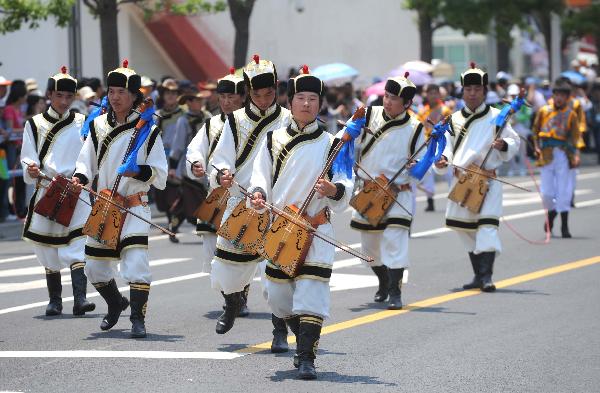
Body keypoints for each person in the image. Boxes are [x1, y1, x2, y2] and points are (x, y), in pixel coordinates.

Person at [249, 66, 354, 379]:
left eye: (312, 98)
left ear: (320, 104)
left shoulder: (334, 143)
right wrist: (256, 195)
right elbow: (260, 178)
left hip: (316, 228)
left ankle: (307, 356)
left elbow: (347, 181)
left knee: (312, 293)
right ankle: (301, 340)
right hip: (281, 228)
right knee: (277, 297)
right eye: (300, 98)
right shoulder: (271, 140)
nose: (306, 104)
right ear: (290, 102)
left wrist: (333, 189)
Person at [72, 60, 168, 338]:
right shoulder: (97, 126)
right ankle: (115, 303)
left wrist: (139, 170)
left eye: (122, 92)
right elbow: (85, 162)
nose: (115, 97)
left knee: (136, 263)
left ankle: (138, 319)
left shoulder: (148, 129)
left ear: (135, 96)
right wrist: (80, 178)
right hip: (104, 206)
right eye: (112, 91)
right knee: (94, 268)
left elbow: (160, 172)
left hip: (134, 205)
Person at [208, 55, 291, 339]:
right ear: (248, 93)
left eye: (269, 94)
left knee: (277, 274)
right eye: (257, 94)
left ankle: (279, 331)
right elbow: (220, 159)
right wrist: (222, 175)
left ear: (277, 89)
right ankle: (232, 302)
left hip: (277, 205)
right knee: (227, 267)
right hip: (241, 202)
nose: (264, 99)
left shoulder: (289, 120)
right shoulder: (234, 121)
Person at [434, 63, 520, 292]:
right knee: (465, 229)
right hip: (462, 180)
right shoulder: (453, 119)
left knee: (487, 227)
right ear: (463, 90)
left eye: (477, 89)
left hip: (488, 181)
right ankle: (478, 274)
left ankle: (486, 276)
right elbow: (447, 147)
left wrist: (503, 145)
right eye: (468, 89)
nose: (472, 93)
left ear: (484, 91)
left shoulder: (496, 117)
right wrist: (443, 159)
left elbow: (514, 141)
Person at [20, 66, 95, 317]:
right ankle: (55, 300)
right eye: (59, 96)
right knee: (47, 248)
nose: (64, 101)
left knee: (79, 243)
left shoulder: (82, 122)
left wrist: (82, 176)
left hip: (75, 189)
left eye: (68, 97)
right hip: (48, 188)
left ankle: (81, 299)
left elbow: (89, 155)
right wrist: (30, 169)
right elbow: (27, 157)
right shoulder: (34, 124)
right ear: (49, 95)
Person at [350, 73, 425, 309]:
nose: (389, 101)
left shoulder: (415, 127)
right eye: (387, 96)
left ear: (407, 104)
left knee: (395, 241)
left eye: (394, 98)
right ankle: (383, 280)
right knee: (369, 247)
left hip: (398, 192)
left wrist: (418, 166)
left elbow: (423, 162)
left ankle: (395, 292)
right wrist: (351, 130)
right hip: (369, 192)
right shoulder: (369, 114)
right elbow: (349, 140)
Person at [186, 68, 245, 273]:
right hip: (217, 192)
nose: (227, 102)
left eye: (231, 97)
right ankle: (229, 297)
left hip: (242, 193)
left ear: (242, 98)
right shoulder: (211, 125)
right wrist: (195, 163)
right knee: (212, 249)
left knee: (238, 251)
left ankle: (237, 297)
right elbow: (195, 149)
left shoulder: (249, 124)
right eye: (223, 97)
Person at [532, 80, 580, 238]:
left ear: (567, 97)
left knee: (564, 191)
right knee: (546, 193)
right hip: (546, 155)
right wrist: (536, 147)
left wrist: (576, 155)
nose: (559, 98)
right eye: (557, 94)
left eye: (563, 95)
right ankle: (551, 215)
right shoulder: (544, 111)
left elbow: (575, 137)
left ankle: (565, 226)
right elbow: (535, 130)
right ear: (553, 95)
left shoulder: (571, 114)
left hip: (563, 155)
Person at [166, 87, 212, 243]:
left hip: (206, 167)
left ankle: (172, 228)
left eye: (201, 100)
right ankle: (203, 227)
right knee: (193, 202)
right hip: (188, 168)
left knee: (186, 203)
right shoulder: (183, 120)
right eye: (197, 100)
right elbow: (178, 145)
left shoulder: (208, 117)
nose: (200, 103)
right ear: (190, 102)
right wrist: (172, 167)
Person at [417, 84, 452, 211]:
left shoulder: (445, 110)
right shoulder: (422, 112)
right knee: (428, 173)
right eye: (430, 93)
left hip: (442, 144)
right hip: (428, 145)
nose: (432, 95)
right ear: (426, 94)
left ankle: (453, 199)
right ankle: (430, 200)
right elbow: (419, 129)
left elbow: (449, 129)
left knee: (448, 170)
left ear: (439, 94)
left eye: (435, 93)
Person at [154, 78, 184, 226]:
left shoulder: (184, 113)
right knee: (161, 194)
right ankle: (170, 218)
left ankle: (175, 220)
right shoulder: (157, 115)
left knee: (177, 192)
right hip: (161, 157)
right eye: (167, 93)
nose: (170, 95)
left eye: (173, 92)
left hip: (179, 157)